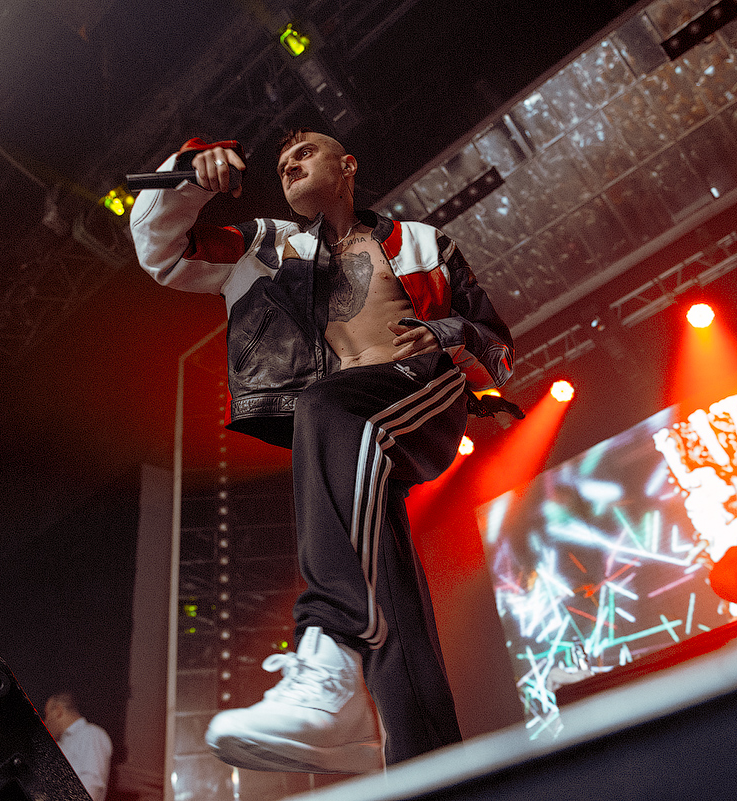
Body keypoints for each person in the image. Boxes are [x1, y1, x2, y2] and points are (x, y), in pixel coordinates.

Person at [129, 130, 515, 773]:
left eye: (305, 152)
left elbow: (497, 345)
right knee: (388, 588)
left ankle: (330, 642)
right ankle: (430, 768)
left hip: (422, 394)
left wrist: (446, 332)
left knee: (325, 405)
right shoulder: (268, 247)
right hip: (348, 431)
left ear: (348, 165)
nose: (289, 165)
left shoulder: (422, 242)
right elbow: (162, 252)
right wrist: (190, 175)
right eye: (282, 164)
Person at [43, 692, 113, 801]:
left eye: (47, 715)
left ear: (58, 711)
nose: (45, 722)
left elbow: (91, 784)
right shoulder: (60, 744)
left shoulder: (90, 733)